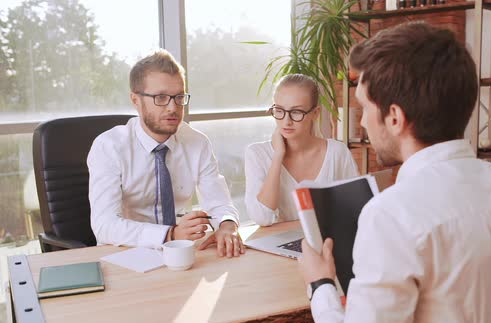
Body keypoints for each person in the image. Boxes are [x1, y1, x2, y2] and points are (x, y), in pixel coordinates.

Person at [299, 22, 491, 323]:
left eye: (365, 108)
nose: (364, 122)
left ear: (394, 117)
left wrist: (321, 285)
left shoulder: (392, 216)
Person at [88, 49, 244, 258]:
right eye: (161, 97)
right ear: (136, 100)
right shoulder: (109, 147)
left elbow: (219, 202)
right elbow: (105, 225)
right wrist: (170, 234)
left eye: (179, 97)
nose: (173, 108)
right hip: (126, 254)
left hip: (181, 252)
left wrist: (227, 225)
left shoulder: (197, 142)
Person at [244, 74, 359, 226]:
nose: (286, 121)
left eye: (296, 112)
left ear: (315, 113)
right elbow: (262, 218)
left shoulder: (337, 152)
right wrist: (278, 156)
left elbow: (355, 209)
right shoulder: (257, 154)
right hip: (275, 246)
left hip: (327, 244)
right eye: (279, 110)